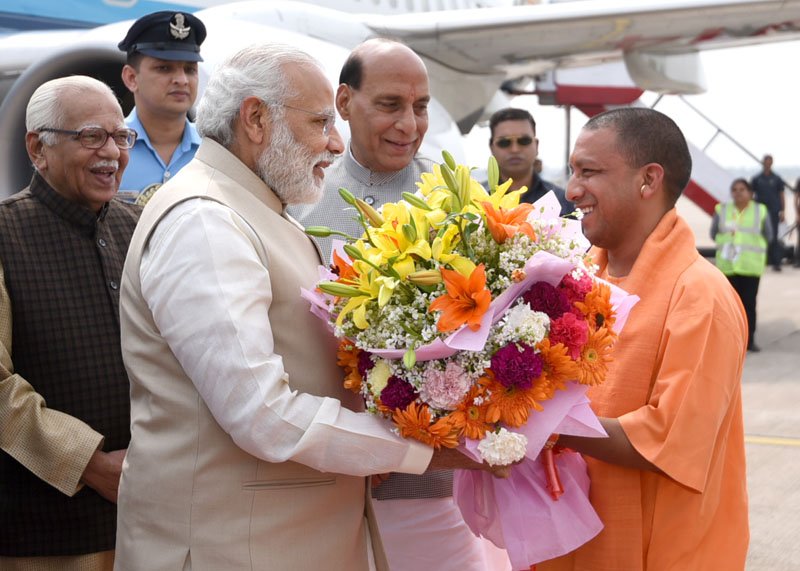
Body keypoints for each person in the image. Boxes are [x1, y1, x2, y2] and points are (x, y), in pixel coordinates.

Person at [114, 43, 500, 571]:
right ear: (255, 119)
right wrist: (427, 448)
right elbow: (263, 414)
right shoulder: (204, 221)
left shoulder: (252, 207)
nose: (336, 142)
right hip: (231, 547)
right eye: (320, 122)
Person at [291, 38, 511, 571]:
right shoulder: (297, 200)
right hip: (321, 473)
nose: (408, 125)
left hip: (431, 483)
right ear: (344, 103)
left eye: (420, 106)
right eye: (390, 105)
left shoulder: (457, 199)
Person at [539, 108, 749, 570]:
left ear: (648, 180)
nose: (572, 190)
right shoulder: (573, 282)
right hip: (572, 543)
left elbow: (666, 439)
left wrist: (532, 419)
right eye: (572, 172)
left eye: (589, 172)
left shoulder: (700, 296)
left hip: (663, 553)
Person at [0, 76, 140, 570]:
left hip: (147, 521)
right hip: (43, 533)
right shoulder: (4, 232)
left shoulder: (141, 228)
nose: (113, 153)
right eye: (91, 136)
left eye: (122, 137)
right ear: (38, 147)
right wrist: (88, 462)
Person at [117, 10, 205, 203]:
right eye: (164, 68)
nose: (182, 80)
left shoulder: (214, 151)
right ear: (131, 78)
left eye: (190, 70)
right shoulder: (110, 150)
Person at [711, 178, 771, 352]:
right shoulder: (721, 210)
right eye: (735, 189)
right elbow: (713, 233)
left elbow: (769, 235)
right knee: (728, 307)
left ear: (750, 193)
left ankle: (749, 340)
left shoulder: (760, 211)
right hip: (728, 267)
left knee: (748, 305)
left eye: (742, 189)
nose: (738, 193)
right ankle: (728, 340)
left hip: (750, 267)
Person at [488, 107, 572, 216]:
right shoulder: (476, 201)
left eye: (524, 141)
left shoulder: (562, 201)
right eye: (504, 142)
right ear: (491, 148)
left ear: (536, 145)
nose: (515, 149)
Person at [751, 154, 787, 271]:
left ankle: (776, 263)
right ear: (763, 163)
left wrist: (783, 211)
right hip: (760, 212)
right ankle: (760, 261)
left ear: (772, 163)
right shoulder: (757, 179)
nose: (767, 164)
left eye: (769, 162)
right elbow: (751, 195)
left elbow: (781, 195)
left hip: (773, 211)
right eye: (766, 162)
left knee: (774, 237)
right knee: (759, 236)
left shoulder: (777, 179)